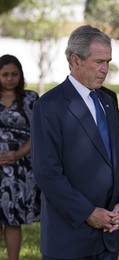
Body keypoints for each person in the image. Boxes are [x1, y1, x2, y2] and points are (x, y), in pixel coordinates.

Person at [31, 25, 119, 260]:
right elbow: (47, 173)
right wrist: (88, 212)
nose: (105, 69)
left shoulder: (109, 102)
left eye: (108, 61)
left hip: (108, 238)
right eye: (99, 62)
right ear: (75, 60)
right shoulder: (49, 106)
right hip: (69, 240)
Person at [0, 54, 40, 260]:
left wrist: (18, 153)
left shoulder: (31, 99)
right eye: (4, 74)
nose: (9, 78)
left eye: (14, 74)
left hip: (20, 167)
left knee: (12, 217)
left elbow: (39, 132)